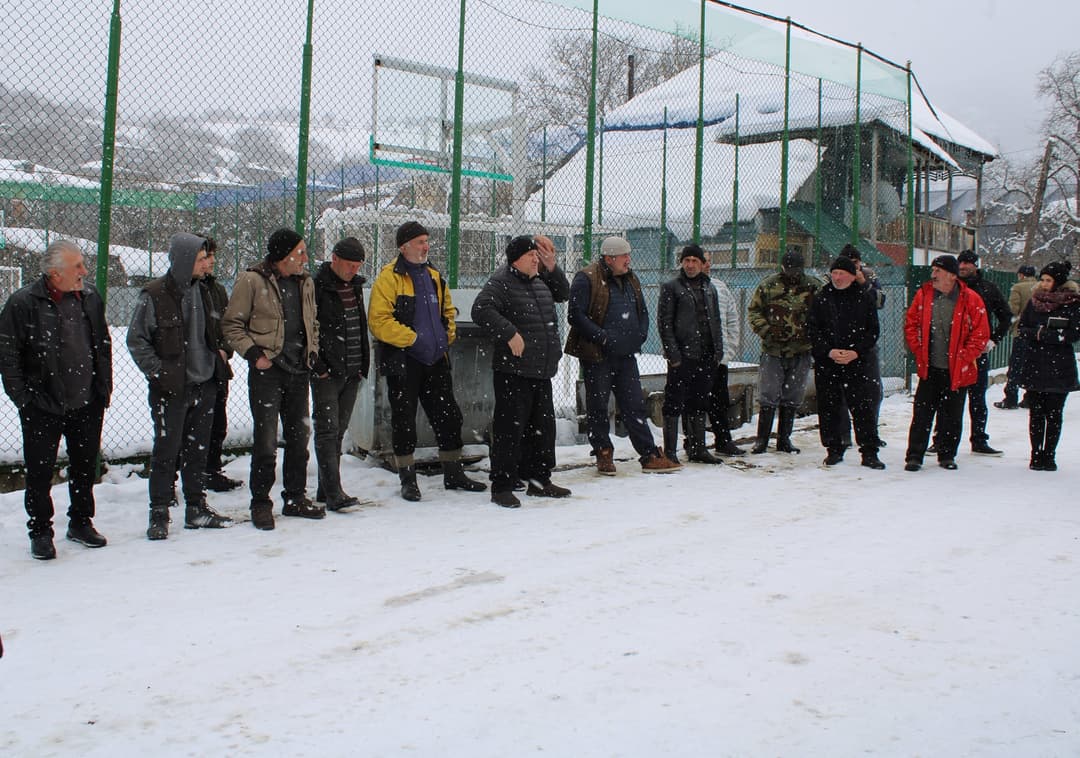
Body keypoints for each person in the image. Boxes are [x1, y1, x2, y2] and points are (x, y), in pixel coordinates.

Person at [0, 240, 112, 560]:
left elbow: (102, 344)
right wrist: (23, 398)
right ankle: (40, 531)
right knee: (39, 471)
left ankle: (80, 521)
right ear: (53, 273)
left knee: (83, 467)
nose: (84, 271)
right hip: (42, 404)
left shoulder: (89, 297)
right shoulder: (23, 303)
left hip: (86, 401)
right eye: (77, 266)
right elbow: (7, 354)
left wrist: (102, 389)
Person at [367, 221, 486, 501]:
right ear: (403, 246)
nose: (425, 246)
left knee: (448, 416)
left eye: (426, 241)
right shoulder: (389, 278)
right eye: (420, 241)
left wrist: (447, 336)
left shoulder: (433, 275)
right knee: (404, 421)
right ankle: (408, 479)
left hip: (435, 361)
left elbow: (447, 310)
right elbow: (379, 321)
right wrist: (413, 339)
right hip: (404, 361)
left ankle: (453, 473)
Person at [128, 232, 233, 539]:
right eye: (201, 259)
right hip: (171, 389)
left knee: (198, 451)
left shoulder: (207, 291)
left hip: (206, 383)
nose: (207, 265)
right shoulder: (155, 295)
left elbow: (220, 328)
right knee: (166, 452)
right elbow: (137, 340)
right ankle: (159, 513)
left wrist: (221, 354)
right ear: (185, 260)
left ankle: (197, 508)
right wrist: (159, 372)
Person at [222, 227, 326, 529]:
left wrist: (313, 351)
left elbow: (312, 322)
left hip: (298, 370)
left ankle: (294, 497)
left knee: (298, 438)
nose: (305, 258)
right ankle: (260, 503)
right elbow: (231, 325)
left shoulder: (305, 282)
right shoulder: (252, 281)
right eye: (300, 252)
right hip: (268, 372)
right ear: (283, 255)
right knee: (266, 440)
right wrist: (255, 355)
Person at [565, 236, 680, 476]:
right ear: (609, 258)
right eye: (624, 256)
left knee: (634, 405)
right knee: (598, 406)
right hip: (598, 356)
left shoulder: (631, 279)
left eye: (629, 255)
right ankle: (603, 453)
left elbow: (642, 311)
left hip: (626, 355)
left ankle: (648, 455)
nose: (629, 260)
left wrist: (641, 333)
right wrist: (603, 337)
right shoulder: (586, 278)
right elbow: (576, 316)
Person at [472, 235, 574, 507]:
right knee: (510, 430)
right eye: (531, 255)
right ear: (516, 258)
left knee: (543, 429)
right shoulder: (502, 281)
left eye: (537, 255)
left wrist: (552, 265)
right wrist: (510, 333)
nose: (535, 259)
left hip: (541, 369)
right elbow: (480, 310)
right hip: (513, 371)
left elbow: (563, 293)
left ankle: (540, 481)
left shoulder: (541, 279)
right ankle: (502, 485)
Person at [902, 255, 990, 471]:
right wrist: (918, 348)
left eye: (938, 271)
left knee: (952, 414)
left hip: (957, 370)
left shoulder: (970, 299)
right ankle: (915, 455)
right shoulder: (924, 295)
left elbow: (980, 334)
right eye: (933, 270)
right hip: (929, 367)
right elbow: (911, 324)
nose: (933, 275)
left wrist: (963, 358)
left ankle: (947, 454)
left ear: (952, 275)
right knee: (922, 414)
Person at [807, 256, 885, 469]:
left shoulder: (864, 297)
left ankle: (869, 451)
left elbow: (873, 331)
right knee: (829, 406)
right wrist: (828, 351)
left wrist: (856, 352)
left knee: (863, 407)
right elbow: (813, 330)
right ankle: (833, 448)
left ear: (852, 276)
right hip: (829, 362)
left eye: (841, 273)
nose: (837, 277)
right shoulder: (822, 297)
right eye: (834, 273)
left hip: (858, 362)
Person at [311, 237, 370, 511]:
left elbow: (358, 326)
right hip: (327, 372)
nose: (353, 271)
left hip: (352, 369)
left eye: (357, 266)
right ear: (334, 259)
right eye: (349, 265)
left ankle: (327, 489)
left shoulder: (355, 286)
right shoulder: (316, 286)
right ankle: (333, 492)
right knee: (327, 430)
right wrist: (320, 365)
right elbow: (310, 328)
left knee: (338, 431)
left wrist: (360, 367)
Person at [747, 250, 819, 454]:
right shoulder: (769, 285)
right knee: (768, 395)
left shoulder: (814, 286)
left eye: (795, 270)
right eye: (789, 270)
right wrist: (766, 331)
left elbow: (824, 313)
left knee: (793, 395)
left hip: (802, 350)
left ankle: (784, 438)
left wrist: (813, 334)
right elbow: (754, 311)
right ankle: (762, 439)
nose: (792, 274)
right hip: (774, 349)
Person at [657, 244, 724, 465]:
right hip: (683, 356)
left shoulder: (709, 288)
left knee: (700, 401)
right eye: (687, 261)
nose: (691, 265)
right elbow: (664, 323)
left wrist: (718, 350)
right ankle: (670, 451)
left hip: (706, 355)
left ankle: (698, 448)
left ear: (703, 263)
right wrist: (673, 354)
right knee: (674, 402)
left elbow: (716, 321)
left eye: (695, 261)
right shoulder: (672, 288)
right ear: (681, 263)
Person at [1015, 261, 1080, 471]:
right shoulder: (1034, 302)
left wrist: (1051, 335)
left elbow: (1073, 333)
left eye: (1048, 280)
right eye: (1042, 279)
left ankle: (1049, 454)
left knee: (1054, 413)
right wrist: (1037, 333)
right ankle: (1035, 453)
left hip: (1060, 366)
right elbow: (1022, 327)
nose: (1043, 284)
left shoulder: (1072, 303)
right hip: (1035, 362)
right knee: (1036, 412)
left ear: (1059, 282)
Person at [953, 249, 1012, 455]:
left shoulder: (988, 289)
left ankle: (979, 439)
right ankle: (942, 439)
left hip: (978, 353)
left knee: (977, 398)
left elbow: (1006, 316)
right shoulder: (951, 287)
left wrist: (993, 340)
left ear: (975, 266)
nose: (963, 267)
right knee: (948, 398)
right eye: (960, 263)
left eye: (967, 263)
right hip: (952, 352)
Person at [199, 236, 243, 492]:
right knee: (187, 427)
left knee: (218, 424)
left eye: (212, 256)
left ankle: (212, 471)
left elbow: (228, 325)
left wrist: (225, 350)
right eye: (205, 257)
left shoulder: (216, 290)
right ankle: (175, 479)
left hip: (218, 368)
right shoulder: (183, 288)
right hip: (193, 370)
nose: (211, 262)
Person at [701, 251, 745, 456]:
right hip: (695, 357)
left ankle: (723, 440)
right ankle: (694, 441)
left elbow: (732, 319)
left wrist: (730, 348)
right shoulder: (681, 288)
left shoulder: (720, 287)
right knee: (696, 401)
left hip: (719, 357)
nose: (707, 265)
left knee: (720, 400)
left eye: (709, 261)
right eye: (703, 261)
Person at [995, 264, 1038, 410]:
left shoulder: (1018, 288)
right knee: (1033, 366)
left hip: (1021, 331)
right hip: (1038, 333)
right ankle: (1030, 397)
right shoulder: (1041, 287)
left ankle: (1011, 398)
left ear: (1021, 275)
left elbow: (1012, 309)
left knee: (1016, 365)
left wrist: (1009, 322)